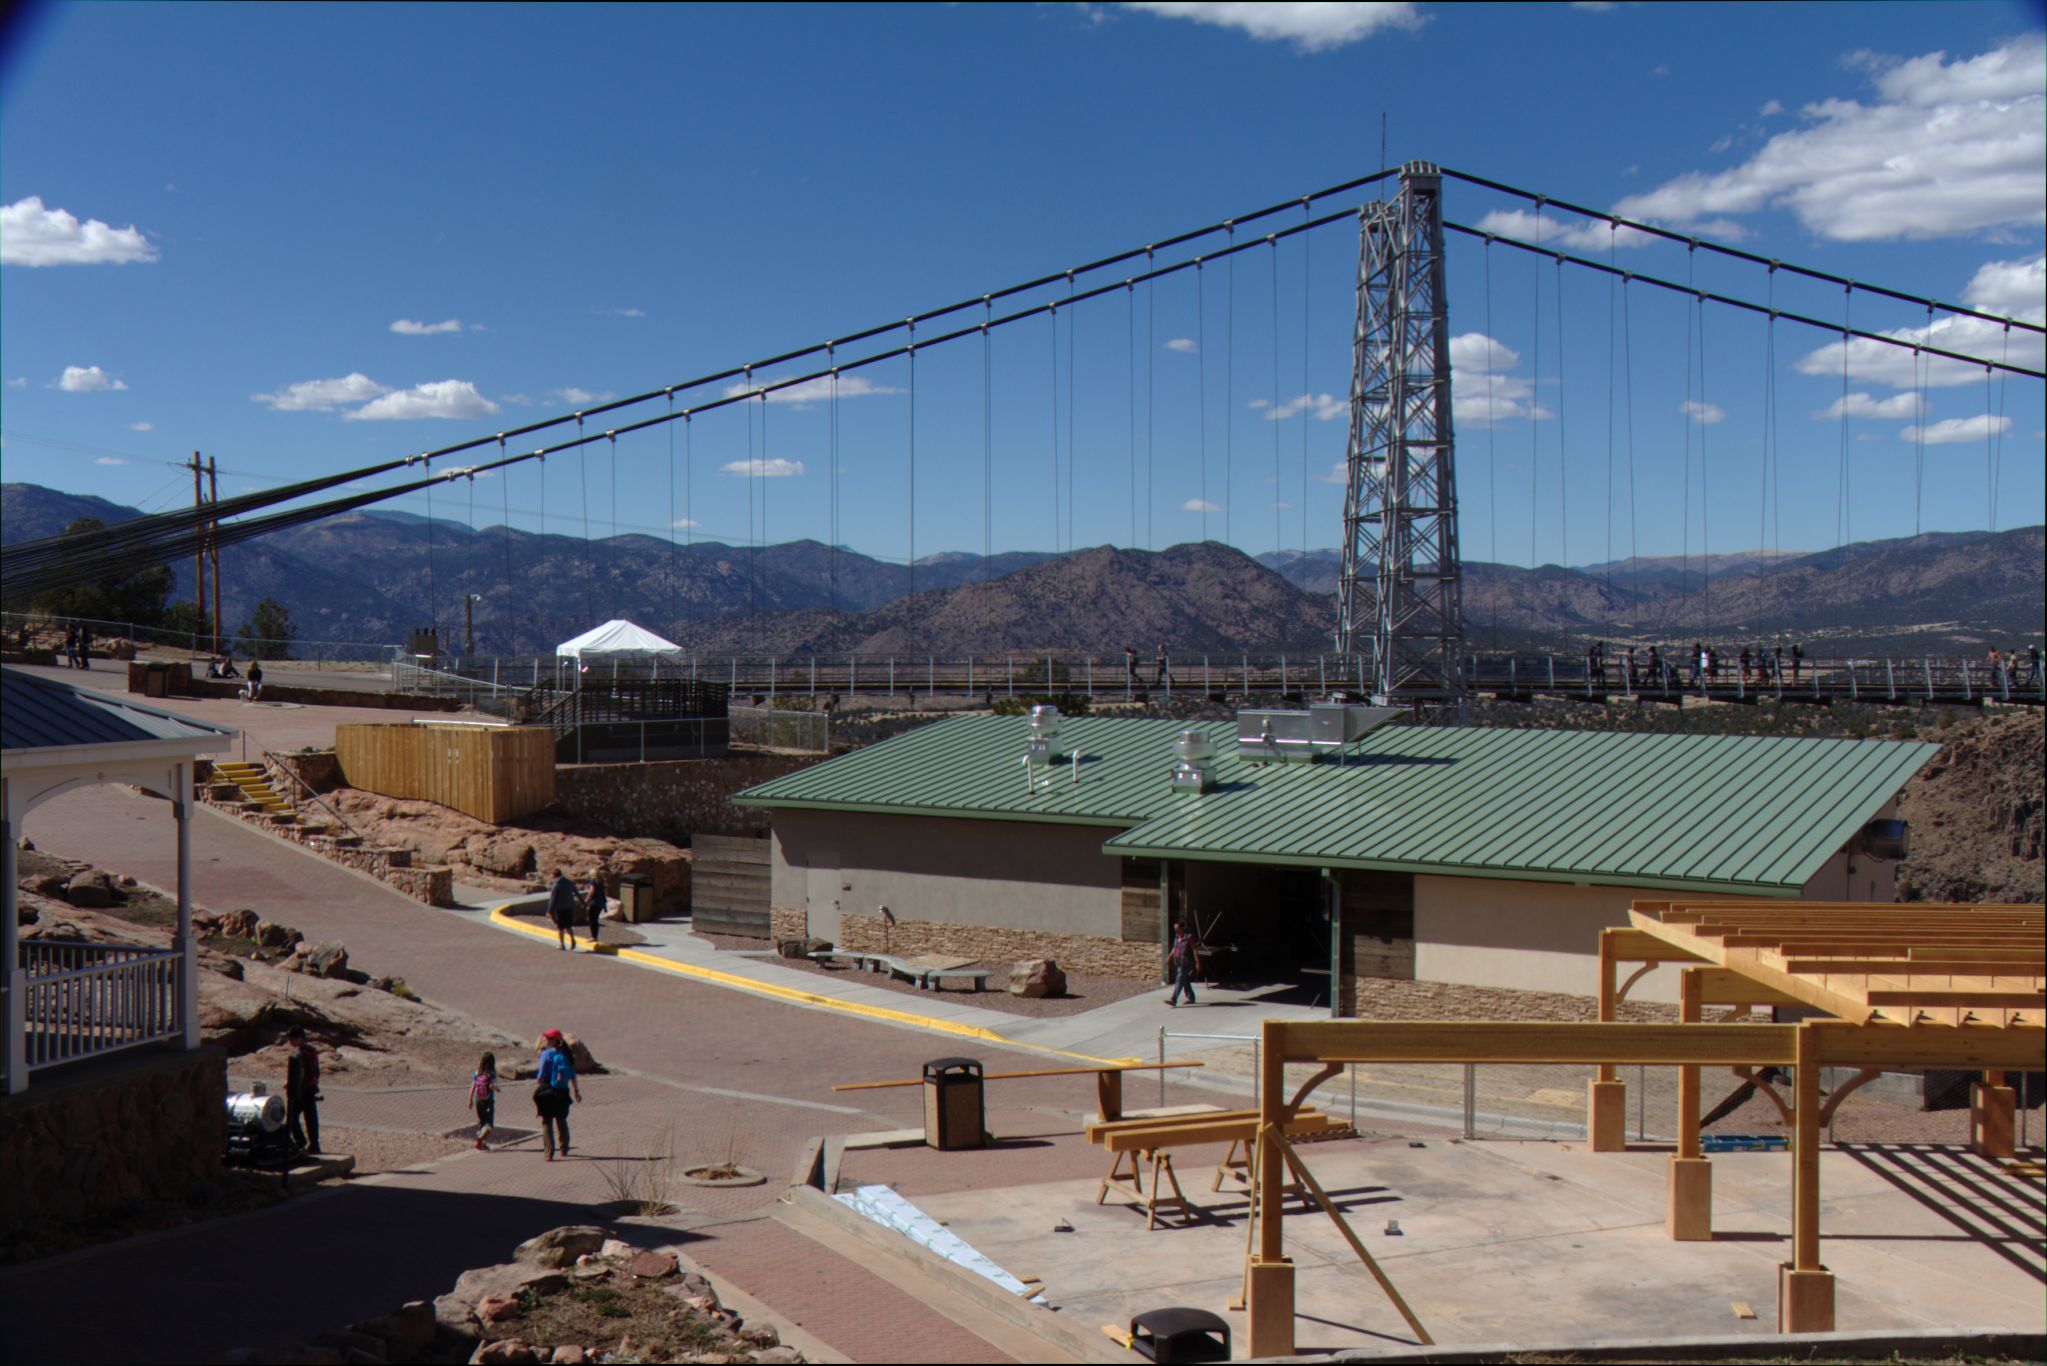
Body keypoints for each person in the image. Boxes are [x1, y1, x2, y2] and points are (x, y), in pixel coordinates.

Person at [533, 1028, 582, 1161]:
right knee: (561, 1120)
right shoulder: (566, 1055)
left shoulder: (546, 1054)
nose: (546, 1040)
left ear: (554, 1040)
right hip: (562, 1091)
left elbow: (541, 1074)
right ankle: (564, 1148)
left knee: (547, 1122)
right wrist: (576, 1091)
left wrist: (539, 1082)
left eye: (549, 1038)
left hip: (548, 1090)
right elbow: (572, 1075)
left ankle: (549, 1153)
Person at [285, 1025, 322, 1155]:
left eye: (292, 1039)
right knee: (311, 1118)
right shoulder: (312, 1051)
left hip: (301, 1090)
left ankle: (300, 1140)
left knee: (291, 1117)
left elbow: (299, 1073)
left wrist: (291, 1086)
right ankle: (314, 1144)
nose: (291, 1042)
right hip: (311, 1088)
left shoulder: (299, 1054)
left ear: (299, 1038)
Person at [469, 1052, 500, 1151]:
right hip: (488, 1100)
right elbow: (491, 1086)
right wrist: (496, 1089)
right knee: (489, 1124)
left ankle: (481, 1142)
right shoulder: (492, 1074)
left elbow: (473, 1086)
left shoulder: (477, 1072)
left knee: (482, 1121)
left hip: (478, 1099)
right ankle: (481, 1139)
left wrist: (470, 1099)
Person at [1165, 923, 1200, 1008]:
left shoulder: (1188, 938)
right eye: (1175, 928)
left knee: (1179, 979)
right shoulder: (1177, 938)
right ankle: (1191, 997)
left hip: (1186, 963)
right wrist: (1169, 957)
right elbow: (1175, 948)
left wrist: (1197, 962)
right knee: (1185, 980)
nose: (1175, 930)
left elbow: (1194, 949)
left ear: (1182, 928)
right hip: (1178, 962)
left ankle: (1173, 999)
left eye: (1177, 928)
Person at [547, 868, 581, 951]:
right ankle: (572, 939)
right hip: (569, 907)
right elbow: (576, 892)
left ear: (554, 875)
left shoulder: (556, 885)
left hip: (560, 908)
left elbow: (553, 899)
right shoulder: (568, 882)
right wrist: (582, 902)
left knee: (560, 927)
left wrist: (549, 911)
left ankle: (562, 945)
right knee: (569, 926)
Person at [585, 872, 608, 946]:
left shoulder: (593, 881)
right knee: (595, 919)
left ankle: (593, 937)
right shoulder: (601, 882)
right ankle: (595, 936)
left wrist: (586, 900)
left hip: (594, 903)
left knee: (592, 919)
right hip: (600, 903)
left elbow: (592, 891)